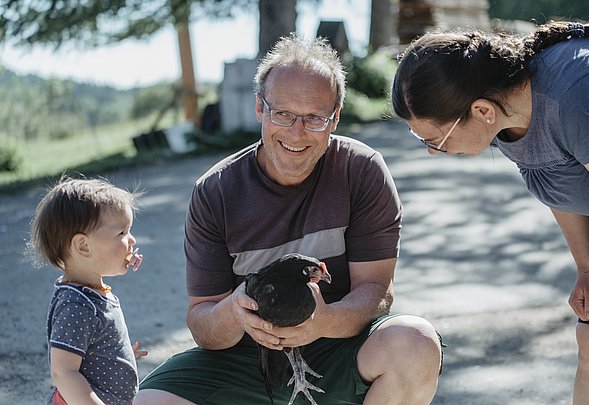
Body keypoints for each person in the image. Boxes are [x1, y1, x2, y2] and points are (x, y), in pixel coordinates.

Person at [134, 34, 442, 405]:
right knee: (151, 401)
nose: (296, 133)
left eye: (314, 117)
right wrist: (234, 312)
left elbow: (376, 291)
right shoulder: (215, 190)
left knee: (416, 343)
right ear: (260, 109)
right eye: (283, 114)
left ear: (335, 118)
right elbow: (202, 322)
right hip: (249, 358)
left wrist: (322, 321)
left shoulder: (361, 170)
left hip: (339, 347)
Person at [391, 21, 589, 403]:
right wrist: (587, 268)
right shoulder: (503, 117)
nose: (431, 151)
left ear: (480, 110)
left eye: (434, 140)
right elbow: (557, 182)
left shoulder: (574, 97)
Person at [30, 176, 147, 405]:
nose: (132, 239)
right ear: (83, 246)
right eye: (121, 233)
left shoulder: (91, 293)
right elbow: (63, 372)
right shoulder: (76, 305)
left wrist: (120, 359)